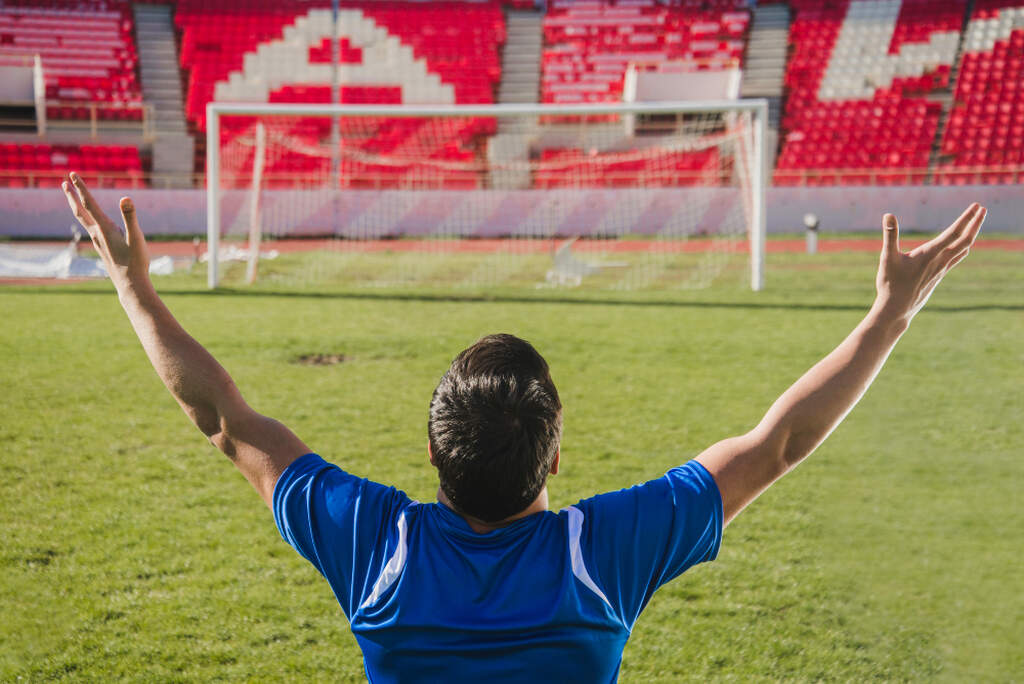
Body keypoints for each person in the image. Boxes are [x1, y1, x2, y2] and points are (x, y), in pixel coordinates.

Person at [61, 172, 986, 682]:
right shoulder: (604, 551)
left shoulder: (374, 546)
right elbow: (779, 444)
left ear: (430, 452)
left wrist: (133, 286)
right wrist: (888, 316)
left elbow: (224, 420)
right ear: (556, 457)